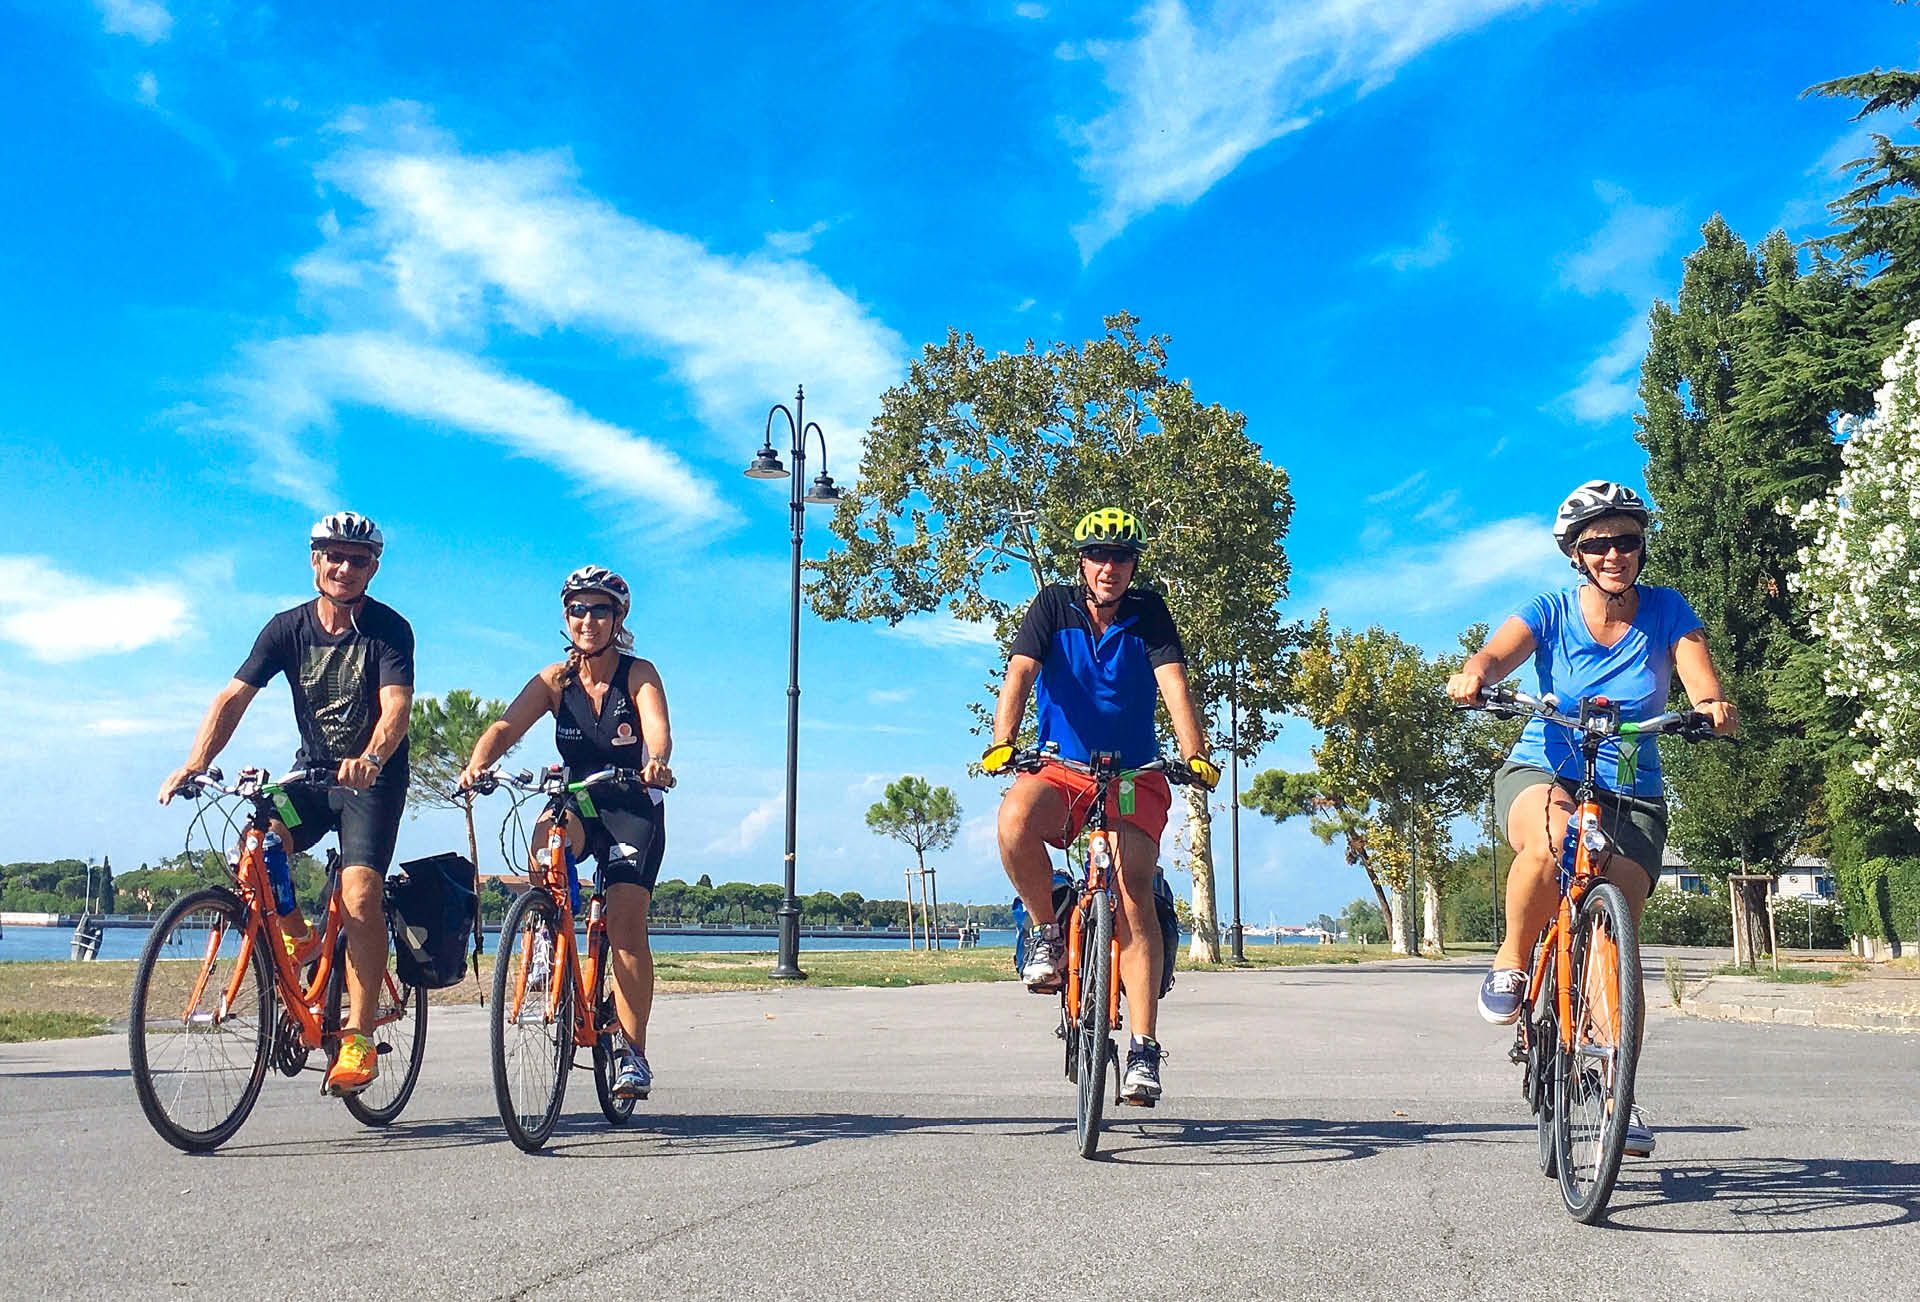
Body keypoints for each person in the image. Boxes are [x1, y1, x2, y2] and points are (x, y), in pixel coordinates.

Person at [1446, 480, 1737, 1157]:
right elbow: (1495, 654)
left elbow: (1699, 675)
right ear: (1575, 553)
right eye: (1597, 543)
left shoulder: (1667, 610)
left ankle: (1616, 1094)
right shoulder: (1548, 611)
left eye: (1626, 541)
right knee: (1553, 847)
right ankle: (1513, 962)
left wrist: (1712, 705)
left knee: (1618, 935)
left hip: (1631, 785)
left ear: (1641, 547)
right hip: (1545, 772)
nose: (1614, 554)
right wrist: (1474, 675)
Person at [158, 511, 414, 1097]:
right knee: (258, 839)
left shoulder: (389, 630)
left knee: (359, 895)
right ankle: (297, 935)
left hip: (370, 781)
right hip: (312, 777)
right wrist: (195, 762)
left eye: (356, 558)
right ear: (314, 559)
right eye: (332, 555)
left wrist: (371, 757)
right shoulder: (285, 628)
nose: (343, 567)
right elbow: (233, 696)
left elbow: (396, 707)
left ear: (374, 567)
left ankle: (355, 1036)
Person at [981, 507, 1220, 1104]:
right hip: (1061, 768)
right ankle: (1046, 934)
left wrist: (1195, 754)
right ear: (1082, 563)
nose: (1108, 566)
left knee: (1134, 891)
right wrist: (1001, 742)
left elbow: (1174, 686)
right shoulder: (1051, 608)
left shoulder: (1149, 614)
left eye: (1120, 556)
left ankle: (1142, 1050)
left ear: (1133, 564)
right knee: (1013, 821)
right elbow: (1019, 675)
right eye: (1098, 555)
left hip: (1134, 773)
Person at [460, 566, 672, 1100]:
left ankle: (632, 1051)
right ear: (566, 617)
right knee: (544, 845)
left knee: (625, 920)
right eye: (578, 609)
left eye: (600, 609)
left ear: (617, 617)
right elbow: (506, 726)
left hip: (631, 805)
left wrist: (659, 763)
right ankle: (545, 937)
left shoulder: (638, 673)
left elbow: (657, 731)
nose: (588, 619)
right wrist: (478, 763)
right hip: (579, 799)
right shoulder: (555, 680)